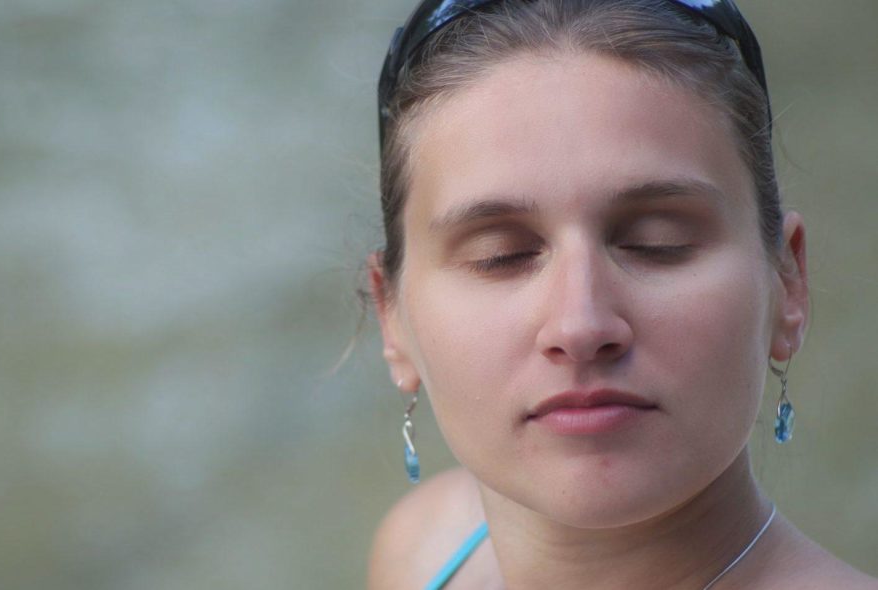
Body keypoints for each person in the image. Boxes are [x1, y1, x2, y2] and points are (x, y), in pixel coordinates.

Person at [363, 0, 878, 588]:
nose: (580, 324)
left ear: (787, 281)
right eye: (499, 256)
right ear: (391, 316)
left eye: (658, 243)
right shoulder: (426, 548)